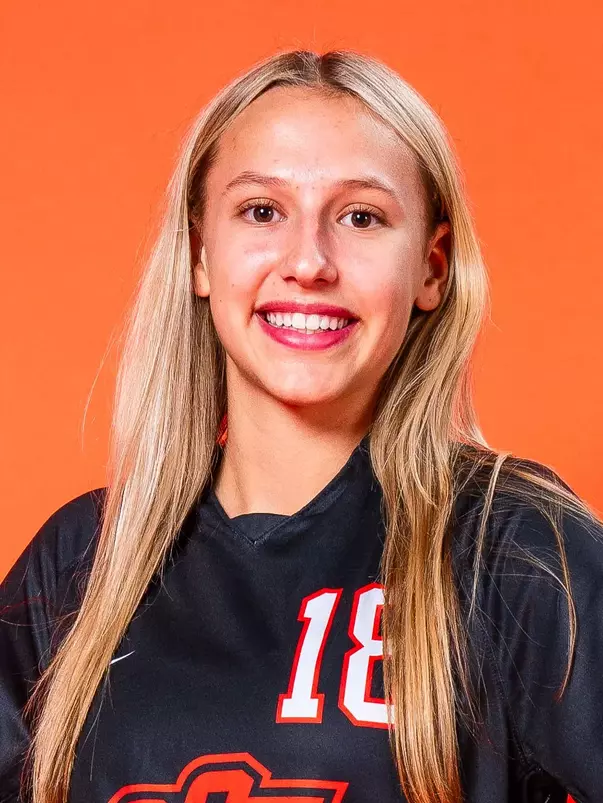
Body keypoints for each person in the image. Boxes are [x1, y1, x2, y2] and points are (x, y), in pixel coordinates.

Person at [1, 49, 601, 803]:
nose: (309, 262)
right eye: (262, 211)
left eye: (361, 217)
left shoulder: (510, 545)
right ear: (200, 254)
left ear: (431, 267)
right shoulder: (82, 565)